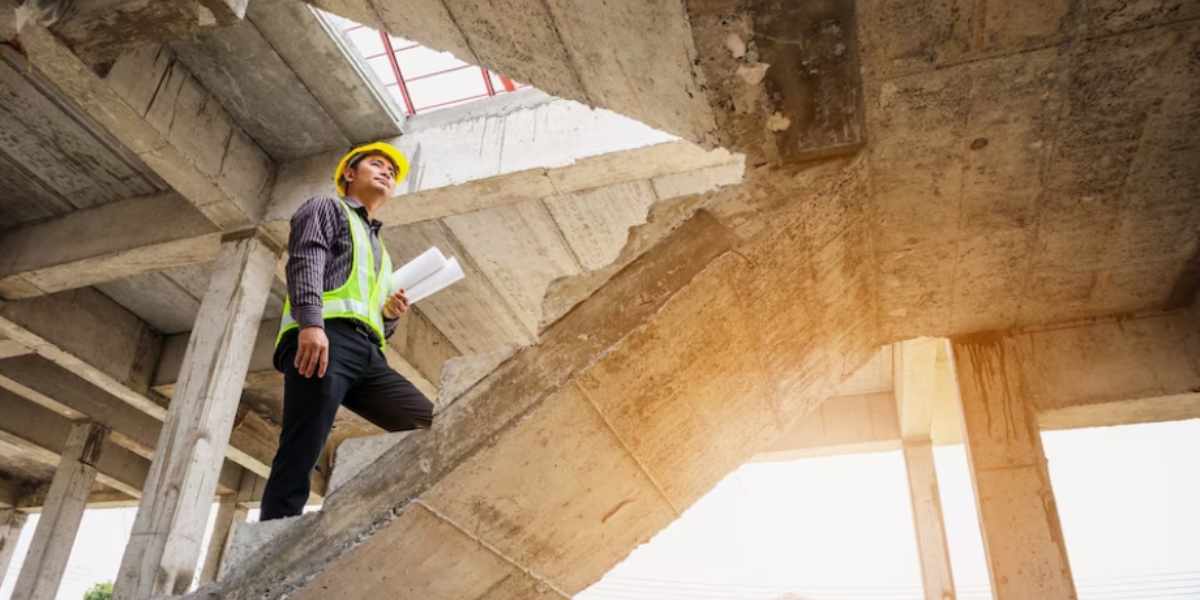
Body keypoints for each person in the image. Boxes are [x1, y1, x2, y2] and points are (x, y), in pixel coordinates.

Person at [260, 142, 433, 520]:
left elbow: (373, 318)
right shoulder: (326, 207)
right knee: (302, 447)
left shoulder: (381, 251)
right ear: (349, 175)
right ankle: (269, 542)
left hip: (368, 353)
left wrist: (389, 315)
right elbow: (305, 260)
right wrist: (310, 324)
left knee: (431, 422)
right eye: (377, 164)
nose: (387, 172)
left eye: (393, 171)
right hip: (323, 341)